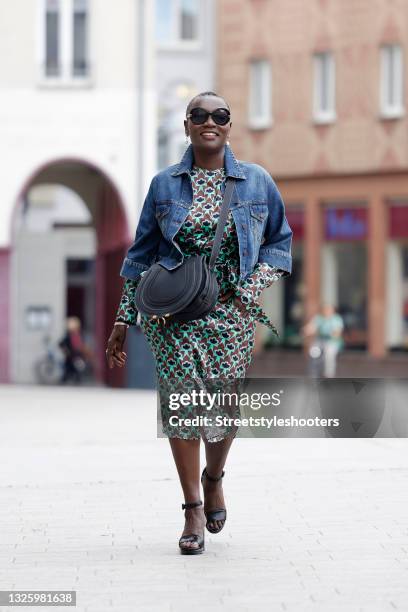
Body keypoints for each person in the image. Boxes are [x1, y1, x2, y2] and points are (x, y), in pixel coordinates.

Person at [105, 91, 293, 555]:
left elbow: (279, 244)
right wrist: (122, 319)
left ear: (230, 126)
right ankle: (191, 507)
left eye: (220, 115)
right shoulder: (164, 185)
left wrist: (250, 290)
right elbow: (141, 254)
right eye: (200, 115)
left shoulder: (257, 182)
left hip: (231, 312)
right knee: (183, 406)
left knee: (223, 408)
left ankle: (214, 479)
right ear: (187, 126)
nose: (211, 122)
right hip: (173, 316)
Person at [302, 303, 344, 378]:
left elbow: (338, 331)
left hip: (332, 341)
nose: (327, 311)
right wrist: (306, 330)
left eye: (329, 310)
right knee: (313, 353)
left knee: (329, 355)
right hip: (320, 341)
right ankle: (313, 373)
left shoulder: (336, 319)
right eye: (325, 310)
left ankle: (328, 375)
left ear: (333, 311)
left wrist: (334, 333)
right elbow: (312, 326)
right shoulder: (319, 318)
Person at [58, 316, 89, 384]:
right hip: (70, 355)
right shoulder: (68, 335)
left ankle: (77, 381)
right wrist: (65, 350)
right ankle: (65, 380)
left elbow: (82, 344)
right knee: (68, 369)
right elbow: (61, 343)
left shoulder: (80, 334)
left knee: (78, 369)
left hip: (78, 354)